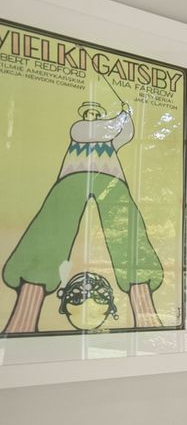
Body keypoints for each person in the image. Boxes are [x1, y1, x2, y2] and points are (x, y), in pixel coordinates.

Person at [2, 99, 164, 335]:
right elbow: (101, 129)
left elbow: (125, 134)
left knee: (128, 229)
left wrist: (127, 115)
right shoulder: (80, 129)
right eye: (90, 113)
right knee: (51, 229)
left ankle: (145, 312)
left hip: (111, 180)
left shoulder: (108, 138)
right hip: (73, 178)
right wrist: (121, 115)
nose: (92, 116)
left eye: (95, 113)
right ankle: (25, 314)